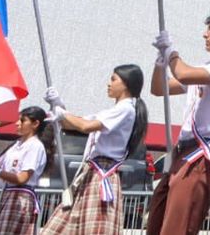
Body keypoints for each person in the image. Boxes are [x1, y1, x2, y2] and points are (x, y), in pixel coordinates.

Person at [147, 9, 210, 235]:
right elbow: (158, 89)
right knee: (157, 220)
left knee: (178, 227)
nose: (205, 35)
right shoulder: (208, 67)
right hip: (183, 152)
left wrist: (172, 53)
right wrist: (160, 62)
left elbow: (183, 74)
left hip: (202, 153)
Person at [42, 65, 149, 234]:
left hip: (102, 175)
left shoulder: (125, 109)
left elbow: (86, 126)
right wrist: (58, 105)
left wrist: (62, 113)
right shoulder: (113, 111)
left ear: (126, 84)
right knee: (61, 226)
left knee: (94, 229)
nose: (108, 84)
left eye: (113, 79)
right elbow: (74, 124)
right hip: (91, 174)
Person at [0, 105, 49, 234]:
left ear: (35, 123)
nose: (17, 123)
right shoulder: (15, 145)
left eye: (23, 120)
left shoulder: (35, 146)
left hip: (21, 197)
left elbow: (22, 178)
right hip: (7, 194)